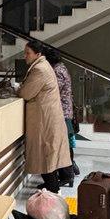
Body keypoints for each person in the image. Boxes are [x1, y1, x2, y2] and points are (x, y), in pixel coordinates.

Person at [18, 41, 71, 193]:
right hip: (47, 116)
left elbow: (26, 93)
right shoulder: (43, 65)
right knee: (48, 154)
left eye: (28, 53)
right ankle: (52, 186)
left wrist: (18, 89)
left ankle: (52, 190)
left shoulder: (39, 69)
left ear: (38, 54)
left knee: (45, 153)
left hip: (44, 118)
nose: (25, 56)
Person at [44, 47, 79, 187]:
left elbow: (53, 90)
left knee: (62, 145)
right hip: (64, 111)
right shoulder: (61, 67)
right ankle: (69, 173)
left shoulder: (57, 70)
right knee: (64, 144)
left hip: (61, 112)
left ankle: (68, 174)